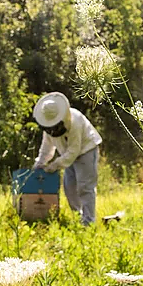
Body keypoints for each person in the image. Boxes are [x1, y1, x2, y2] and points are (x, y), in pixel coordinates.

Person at [32, 92, 102, 226]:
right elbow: (47, 148)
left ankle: (89, 222)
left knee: (84, 187)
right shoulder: (48, 125)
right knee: (69, 187)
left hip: (86, 150)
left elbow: (74, 150)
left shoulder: (74, 120)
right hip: (67, 155)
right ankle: (78, 217)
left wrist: (55, 165)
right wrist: (39, 163)